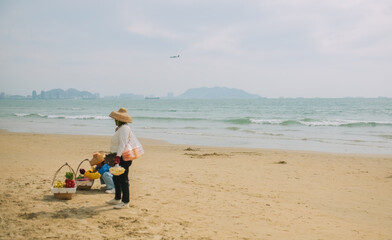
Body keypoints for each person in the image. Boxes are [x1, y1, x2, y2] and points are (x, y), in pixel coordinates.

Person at [106, 107, 134, 209]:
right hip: (117, 155)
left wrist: (118, 158)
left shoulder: (125, 129)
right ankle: (117, 198)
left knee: (123, 179)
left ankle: (125, 202)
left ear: (120, 119)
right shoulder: (121, 128)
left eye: (116, 119)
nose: (114, 121)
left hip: (122, 157)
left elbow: (122, 144)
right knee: (116, 177)